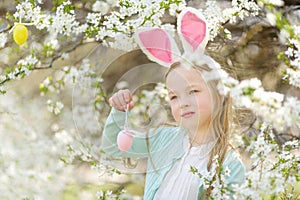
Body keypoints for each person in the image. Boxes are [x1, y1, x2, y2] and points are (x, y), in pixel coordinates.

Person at [101, 7, 245, 200]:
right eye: (174, 97)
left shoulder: (229, 164)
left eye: (193, 91)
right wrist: (119, 112)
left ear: (219, 95)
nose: (183, 103)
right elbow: (113, 147)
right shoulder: (164, 139)